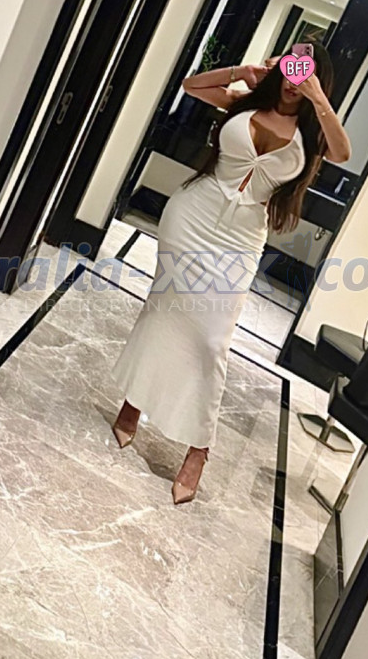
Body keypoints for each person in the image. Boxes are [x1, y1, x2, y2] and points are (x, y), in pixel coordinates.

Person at [110, 43, 351, 505]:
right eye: (289, 65)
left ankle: (199, 448)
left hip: (241, 237)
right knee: (163, 313)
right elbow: (191, 86)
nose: (293, 77)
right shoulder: (244, 102)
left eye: (304, 70)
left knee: (210, 339)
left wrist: (318, 97)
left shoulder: (312, 133)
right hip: (193, 214)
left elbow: (342, 152)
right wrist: (244, 70)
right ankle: (132, 405)